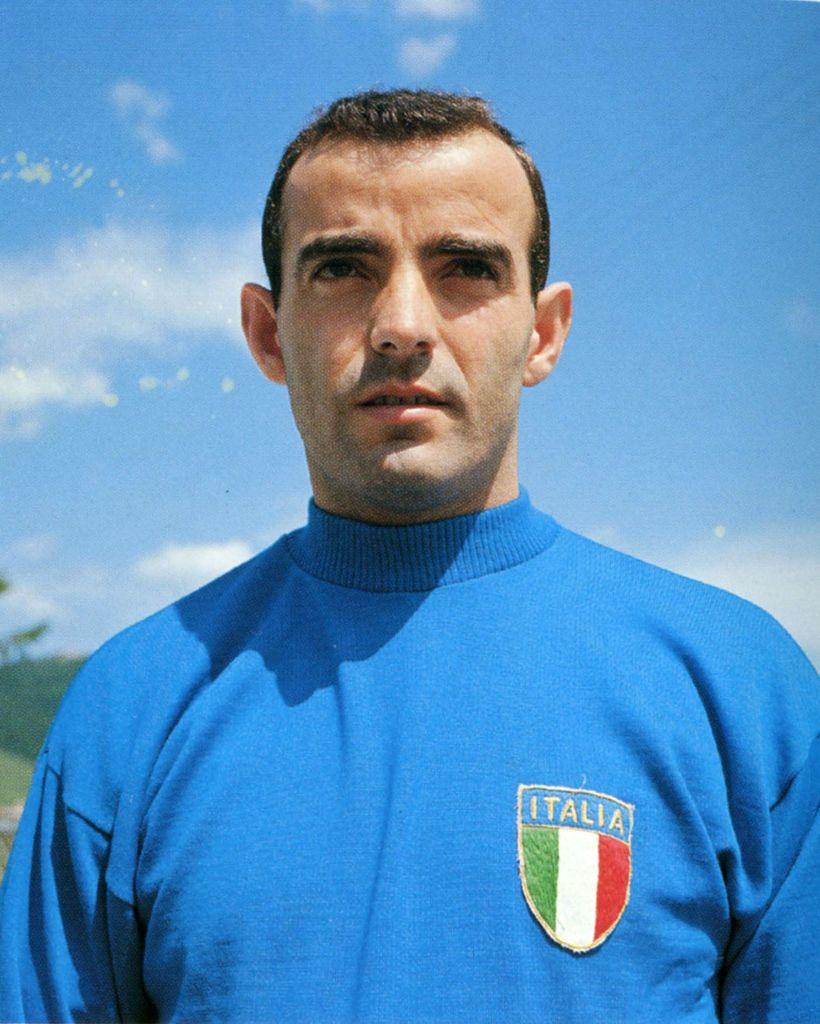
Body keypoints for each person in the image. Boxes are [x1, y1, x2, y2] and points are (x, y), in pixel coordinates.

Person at [0, 89, 817, 1024]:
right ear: (268, 333)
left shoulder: (741, 692)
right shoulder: (129, 708)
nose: (401, 324)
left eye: (465, 267)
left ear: (544, 332)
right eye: (343, 267)